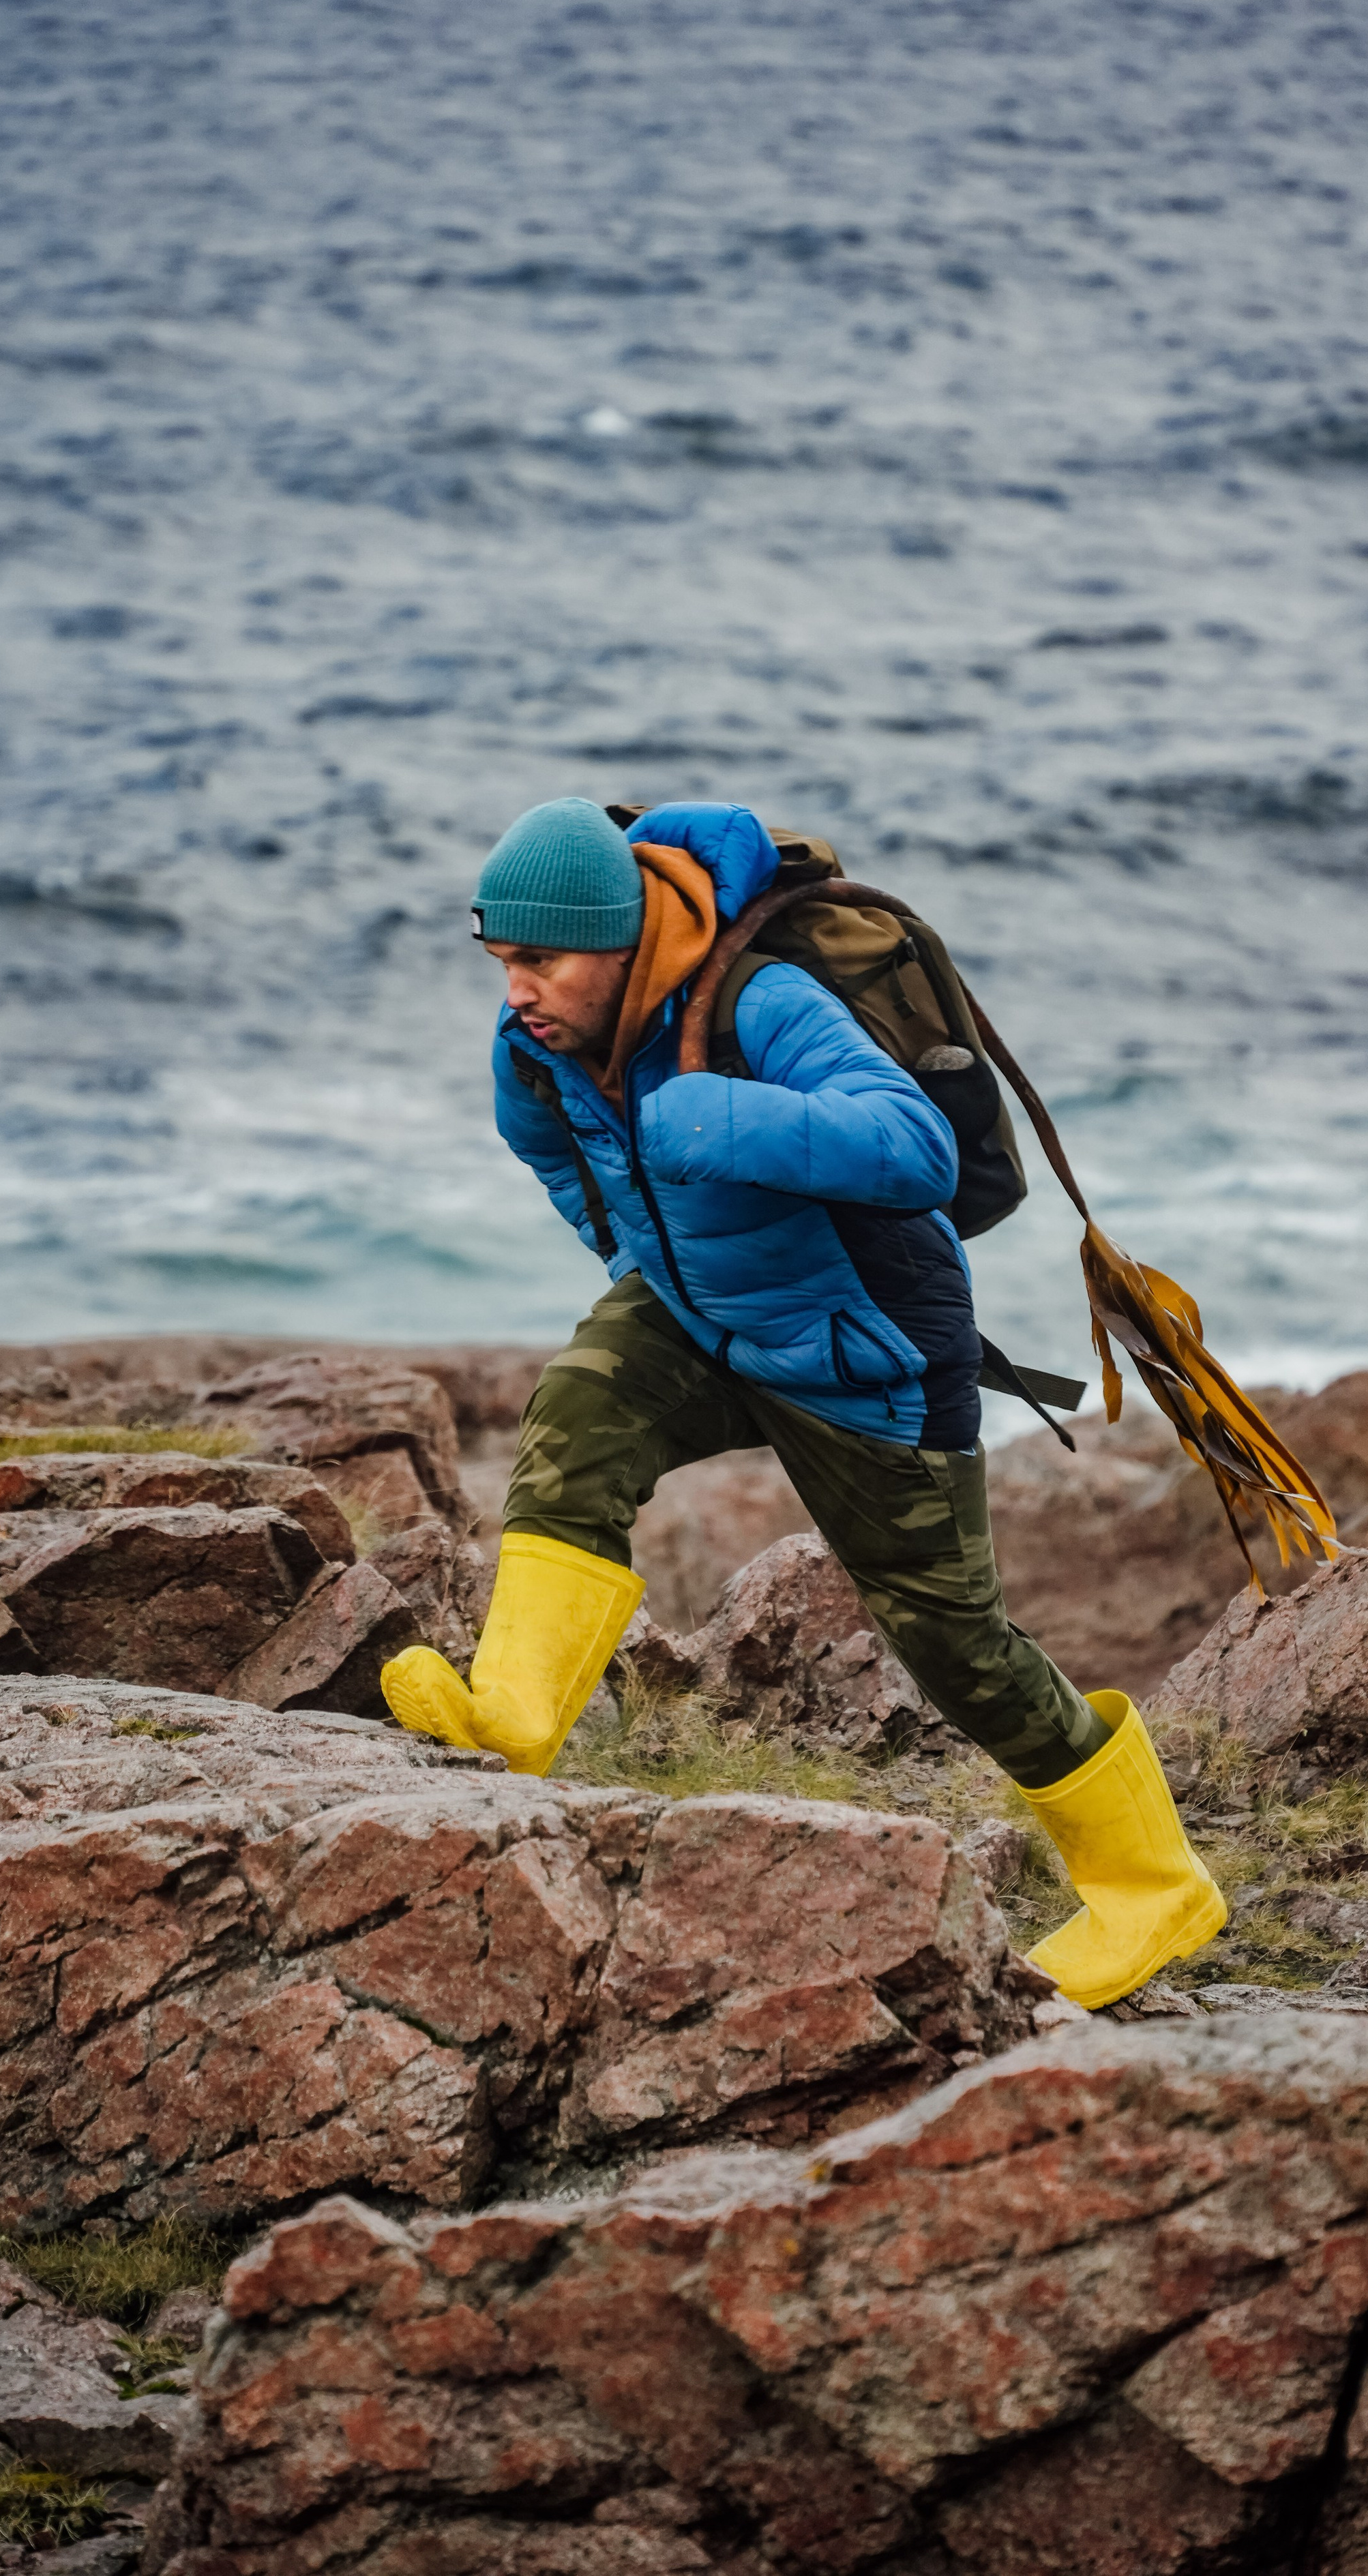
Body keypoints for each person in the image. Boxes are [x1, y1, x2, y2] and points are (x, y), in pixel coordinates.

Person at [382, 796, 1225, 2009]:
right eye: (502, 962)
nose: (514, 989)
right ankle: (512, 1714)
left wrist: (722, 1119)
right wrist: (650, 1274)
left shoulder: (757, 1001)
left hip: (866, 1348)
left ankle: (1154, 1888)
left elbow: (916, 1148)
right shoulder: (536, 1054)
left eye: (539, 960)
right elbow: (575, 1177)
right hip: (701, 1314)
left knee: (959, 1652)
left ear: (619, 945)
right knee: (577, 1413)